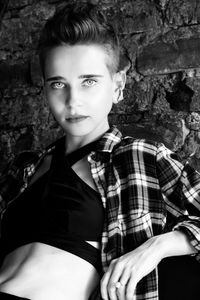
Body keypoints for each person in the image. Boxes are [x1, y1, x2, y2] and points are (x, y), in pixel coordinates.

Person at [0, 2, 200, 300]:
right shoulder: (22, 168)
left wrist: (154, 249)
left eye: (89, 81)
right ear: (45, 88)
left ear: (118, 85)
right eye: (58, 84)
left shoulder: (141, 156)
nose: (72, 101)